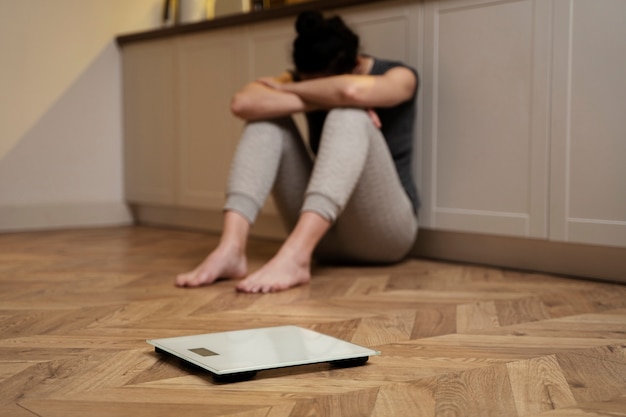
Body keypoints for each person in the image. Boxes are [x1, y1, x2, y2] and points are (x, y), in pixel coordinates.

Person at [175, 10, 420, 293]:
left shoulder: (399, 75)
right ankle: (231, 248)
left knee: (349, 114)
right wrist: (317, 95)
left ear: (354, 65)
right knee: (266, 121)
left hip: (385, 235)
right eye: (304, 81)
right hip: (323, 236)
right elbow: (243, 103)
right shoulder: (297, 80)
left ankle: (295, 257)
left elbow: (352, 93)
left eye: (320, 82)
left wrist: (303, 94)